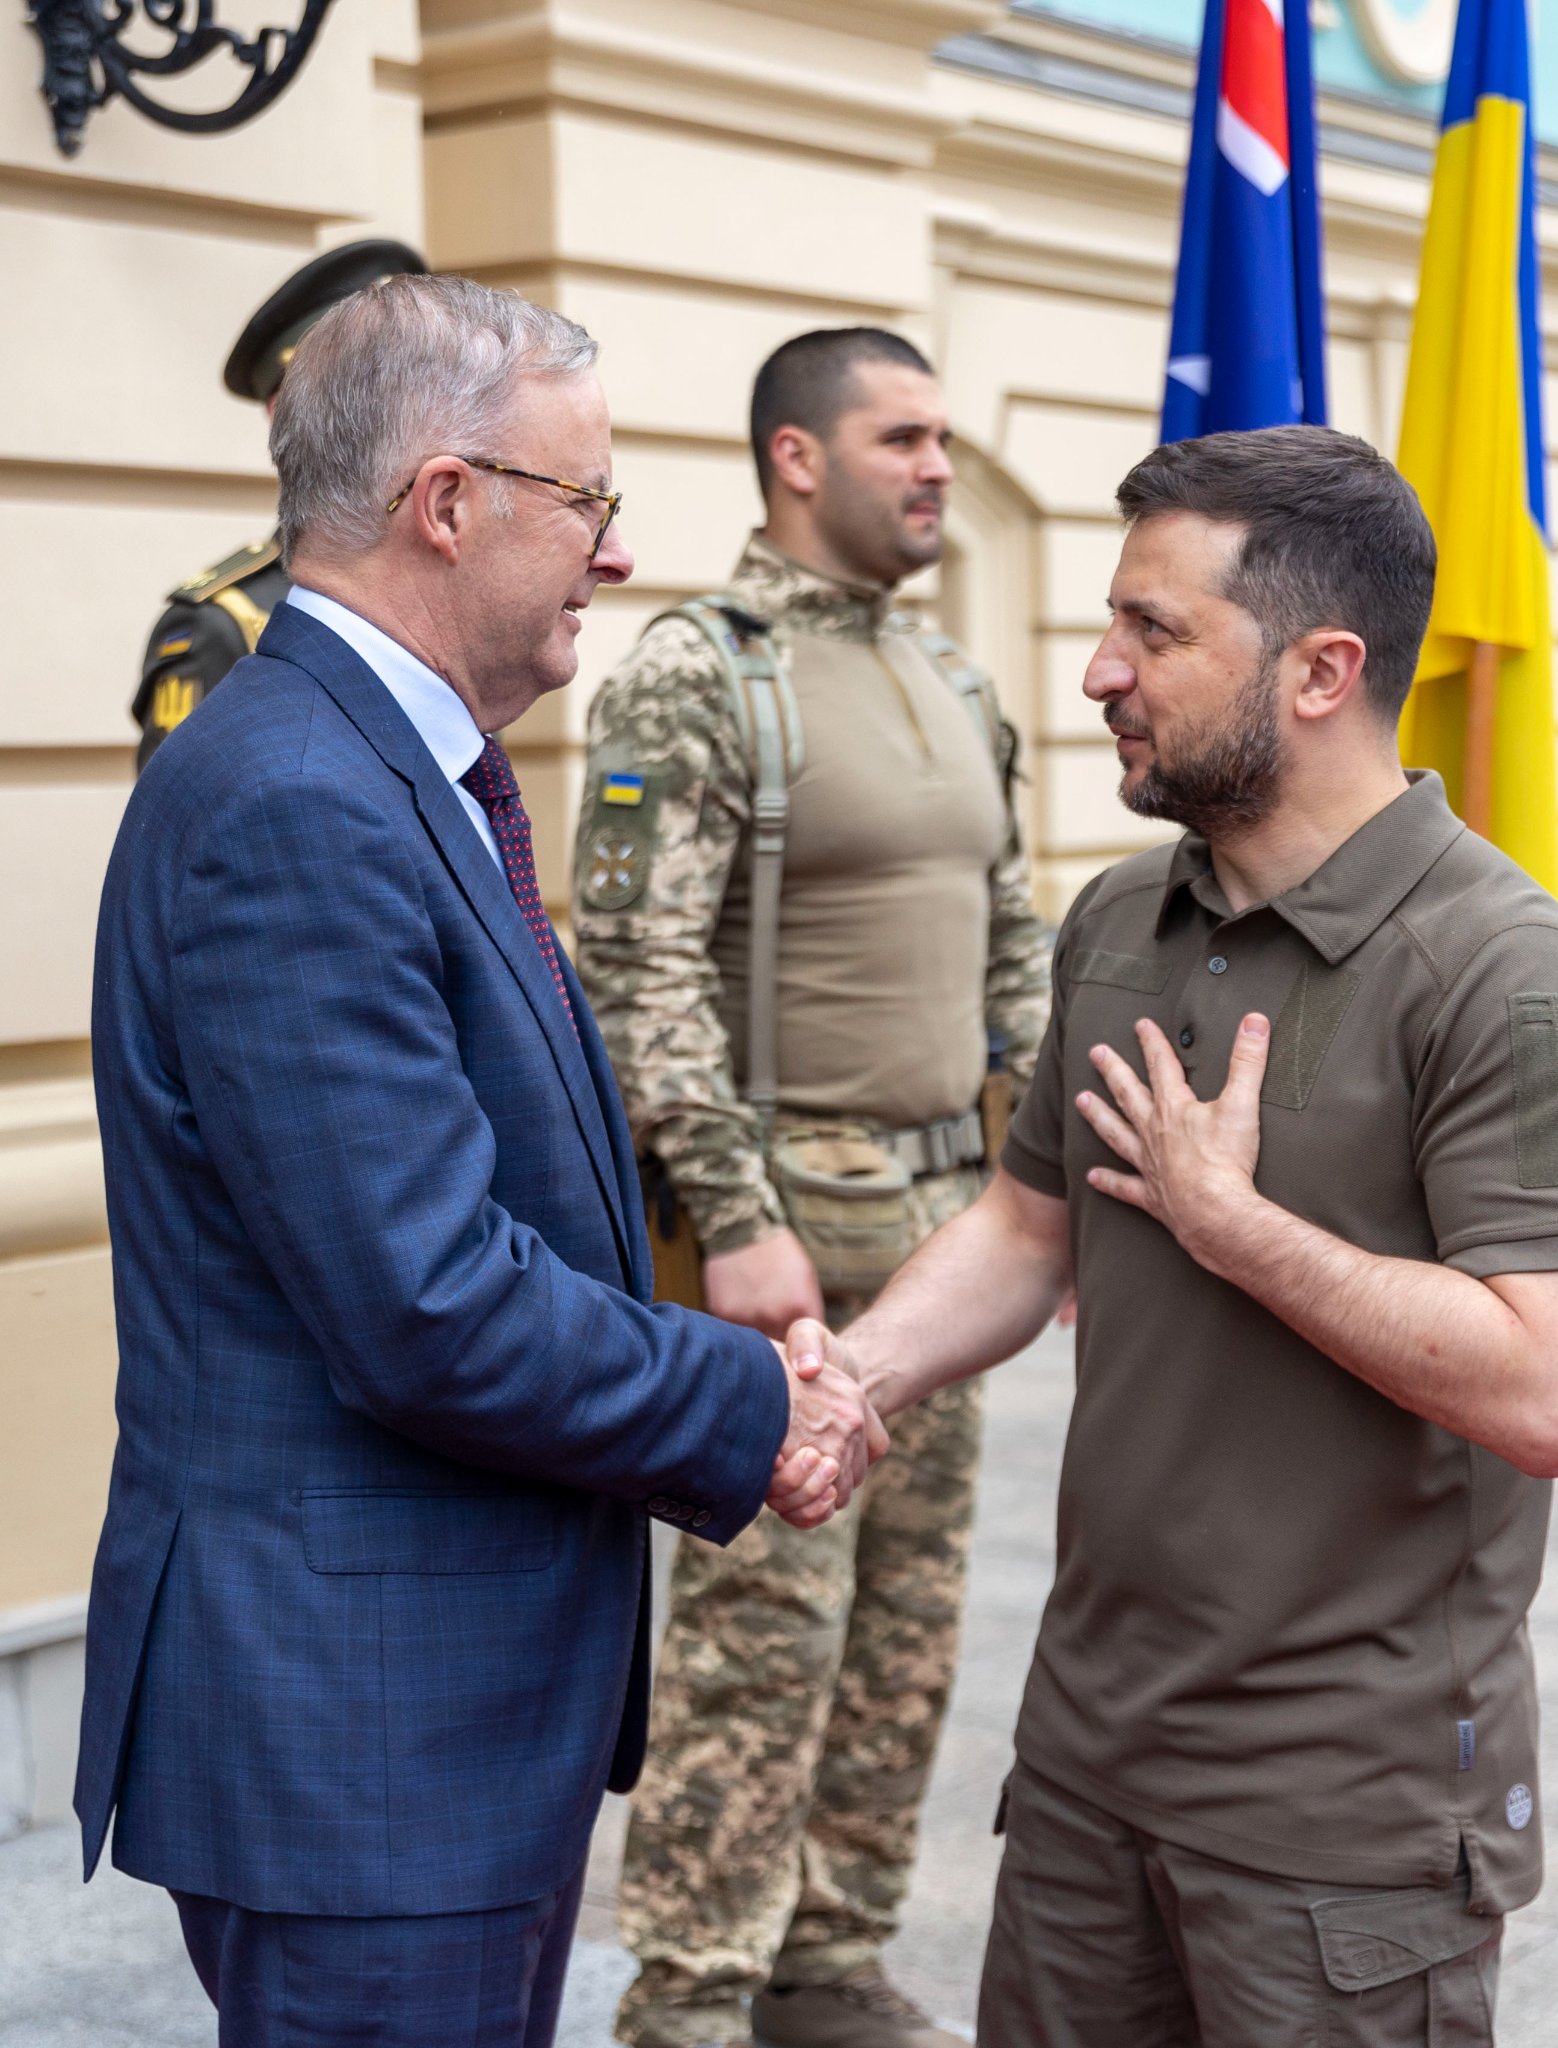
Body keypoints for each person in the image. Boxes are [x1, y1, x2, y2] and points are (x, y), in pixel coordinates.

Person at [77, 273, 886, 2048]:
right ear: (448, 503)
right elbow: (426, 1296)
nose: (610, 555)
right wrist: (751, 1399)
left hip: (428, 1714)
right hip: (362, 1731)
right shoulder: (299, 795)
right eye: (586, 501)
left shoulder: (392, 768)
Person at [793, 424, 1558, 2046]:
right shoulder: (1119, 917)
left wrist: (1233, 1227)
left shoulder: (1500, 965)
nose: (1101, 668)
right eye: (1113, 620)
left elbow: (1553, 1390)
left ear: (1320, 670)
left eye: (1153, 630)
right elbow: (1024, 1229)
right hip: (1080, 1780)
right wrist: (849, 1380)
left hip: (1345, 1836)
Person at [572, 327, 1052, 2048]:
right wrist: (732, 1202)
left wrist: (1046, 1179)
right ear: (795, 455)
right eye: (900, 436)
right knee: (761, 1635)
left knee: (906, 1626)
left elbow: (1014, 945)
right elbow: (633, 965)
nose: (936, 465)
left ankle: (826, 1966)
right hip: (784, 1233)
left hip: (947, 1225)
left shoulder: (955, 678)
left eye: (943, 436)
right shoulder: (698, 673)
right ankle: (689, 2000)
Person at [130, 238, 428, 771]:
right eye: (369, 388)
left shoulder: (445, 587)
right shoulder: (226, 623)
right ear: (288, 414)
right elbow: (191, 836)